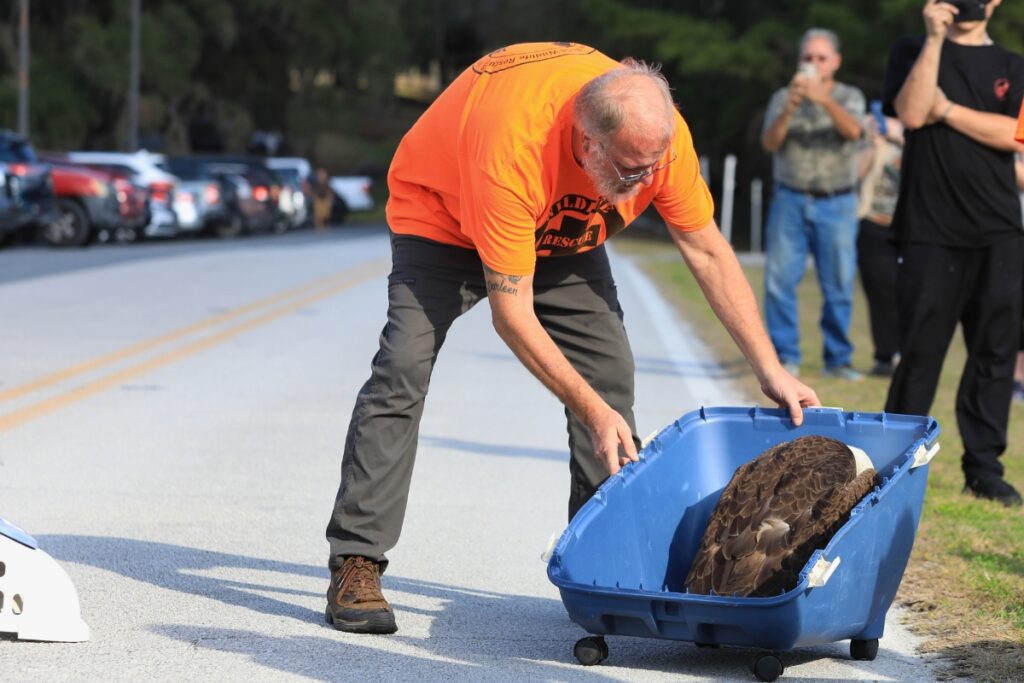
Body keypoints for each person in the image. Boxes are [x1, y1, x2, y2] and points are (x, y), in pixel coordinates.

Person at [323, 42, 820, 635]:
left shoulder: (656, 136)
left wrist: (769, 367)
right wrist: (590, 411)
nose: (643, 185)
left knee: (611, 374)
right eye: (631, 171)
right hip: (445, 218)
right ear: (586, 141)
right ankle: (356, 560)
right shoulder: (513, 146)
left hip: (561, 234)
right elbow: (514, 316)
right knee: (403, 368)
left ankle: (600, 570)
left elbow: (707, 249)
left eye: (651, 169)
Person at [883, 0, 1024, 507]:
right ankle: (896, 464)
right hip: (928, 228)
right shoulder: (913, 50)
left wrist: (949, 110)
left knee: (994, 355)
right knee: (920, 352)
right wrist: (935, 39)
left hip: (1000, 229)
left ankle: (984, 469)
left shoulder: (1015, 66)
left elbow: (1015, 135)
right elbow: (914, 112)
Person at [761, 28, 866, 380]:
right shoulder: (782, 98)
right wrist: (789, 109)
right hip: (790, 197)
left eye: (821, 58)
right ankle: (783, 357)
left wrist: (823, 99)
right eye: (808, 58)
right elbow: (770, 143)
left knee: (838, 283)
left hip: (837, 201)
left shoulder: (849, 96)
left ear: (835, 63)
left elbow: (854, 132)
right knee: (779, 281)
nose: (814, 64)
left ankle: (838, 359)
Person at [856, 106, 904, 377]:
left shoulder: (920, 136)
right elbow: (855, 174)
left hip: (909, 229)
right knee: (879, 292)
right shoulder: (869, 135)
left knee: (909, 292)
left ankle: (908, 353)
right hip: (874, 223)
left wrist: (902, 138)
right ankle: (885, 356)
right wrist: (875, 145)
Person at [311, 167, 333, 231]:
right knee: (318, 213)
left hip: (325, 198)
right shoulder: (316, 182)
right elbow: (314, 191)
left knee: (326, 213)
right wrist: (314, 197)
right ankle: (319, 225)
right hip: (318, 199)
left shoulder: (327, 182)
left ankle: (324, 224)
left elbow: (329, 190)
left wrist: (329, 198)